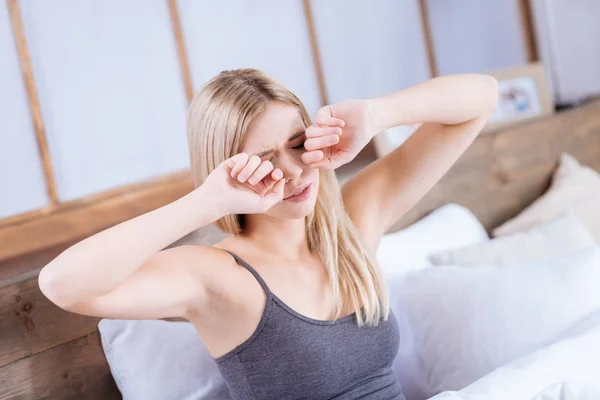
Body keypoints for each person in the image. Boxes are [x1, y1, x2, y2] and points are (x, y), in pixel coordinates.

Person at [38, 68, 498, 399]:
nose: (294, 172)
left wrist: (377, 115)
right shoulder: (218, 277)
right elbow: (62, 284)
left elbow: (482, 97)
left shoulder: (352, 225)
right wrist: (208, 201)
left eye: (299, 145)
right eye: (264, 161)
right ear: (228, 170)